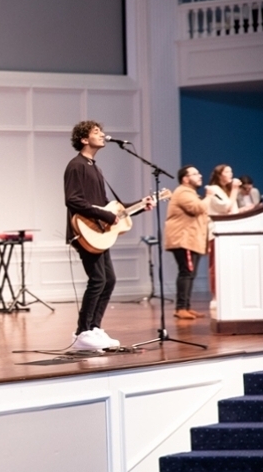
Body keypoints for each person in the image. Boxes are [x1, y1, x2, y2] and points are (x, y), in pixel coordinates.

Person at [64, 120, 153, 351]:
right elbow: (73, 200)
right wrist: (103, 215)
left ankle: (94, 328)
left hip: (98, 231)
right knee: (98, 280)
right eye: (96, 132)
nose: (103, 135)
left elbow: (108, 206)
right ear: (84, 139)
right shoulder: (76, 165)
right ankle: (82, 332)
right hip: (84, 231)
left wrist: (141, 205)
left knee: (108, 280)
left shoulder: (95, 167)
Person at [164, 166, 211, 320]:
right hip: (184, 239)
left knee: (190, 274)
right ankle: (181, 308)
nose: (200, 175)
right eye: (195, 174)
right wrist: (209, 196)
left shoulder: (189, 193)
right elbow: (197, 208)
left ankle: (186, 307)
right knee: (186, 273)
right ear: (185, 178)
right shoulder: (183, 192)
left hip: (190, 239)